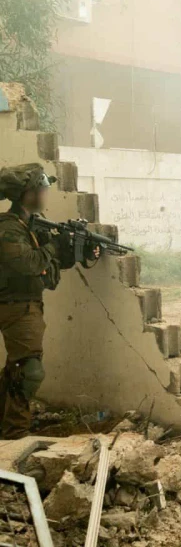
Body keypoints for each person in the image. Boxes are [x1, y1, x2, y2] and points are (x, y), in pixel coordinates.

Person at [0, 163, 63, 439]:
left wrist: (71, 252)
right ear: (27, 194)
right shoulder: (9, 228)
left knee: (16, 370)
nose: (45, 194)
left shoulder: (30, 225)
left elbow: (45, 268)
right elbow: (27, 263)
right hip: (15, 306)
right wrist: (54, 247)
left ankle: (6, 426)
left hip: (25, 305)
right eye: (41, 189)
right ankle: (15, 434)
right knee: (29, 372)